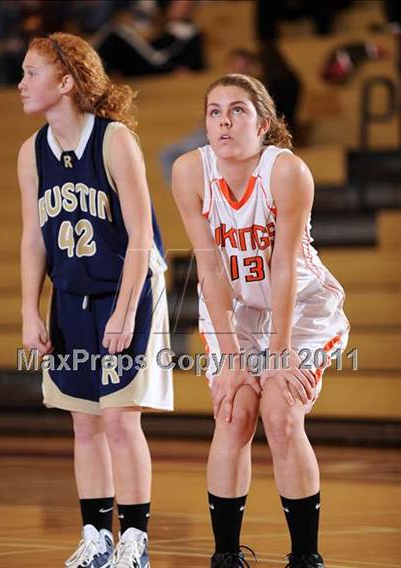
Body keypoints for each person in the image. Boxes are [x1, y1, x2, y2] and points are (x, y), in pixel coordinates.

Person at [172, 73, 349, 568]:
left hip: (300, 306)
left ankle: (305, 557)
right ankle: (226, 556)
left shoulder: (286, 172)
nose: (224, 121)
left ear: (265, 124)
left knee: (281, 413)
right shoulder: (190, 171)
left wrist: (280, 348)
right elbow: (208, 266)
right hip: (235, 307)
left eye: (238, 111)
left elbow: (285, 266)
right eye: (214, 112)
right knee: (233, 415)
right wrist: (230, 356)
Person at [18, 32, 173, 568]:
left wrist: (127, 311)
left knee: (119, 420)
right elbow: (33, 236)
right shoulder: (31, 151)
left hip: (126, 288)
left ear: (65, 81)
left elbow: (139, 238)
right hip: (72, 294)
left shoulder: (113, 141)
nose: (20, 84)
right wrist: (29, 310)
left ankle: (135, 541)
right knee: (83, 422)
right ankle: (97, 539)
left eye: (30, 72)